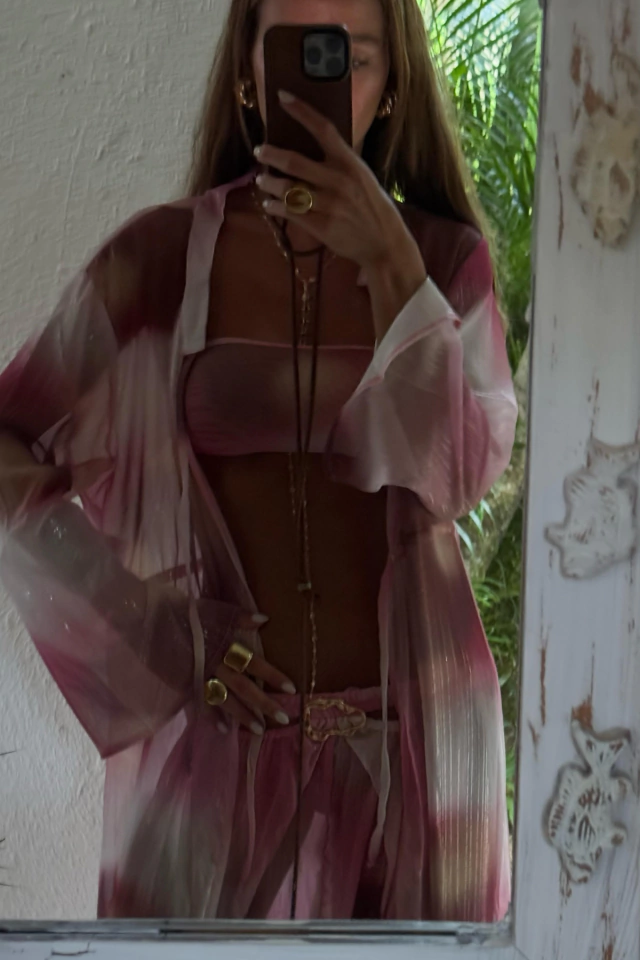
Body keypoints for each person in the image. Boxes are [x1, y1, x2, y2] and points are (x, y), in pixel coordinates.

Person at [0, 0, 518, 922]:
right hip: (211, 776)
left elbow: (465, 471)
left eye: (354, 58)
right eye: (295, 55)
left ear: (394, 83)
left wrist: (393, 267)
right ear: (248, 73)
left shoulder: (445, 261)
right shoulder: (161, 262)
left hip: (421, 770)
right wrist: (155, 635)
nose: (324, 91)